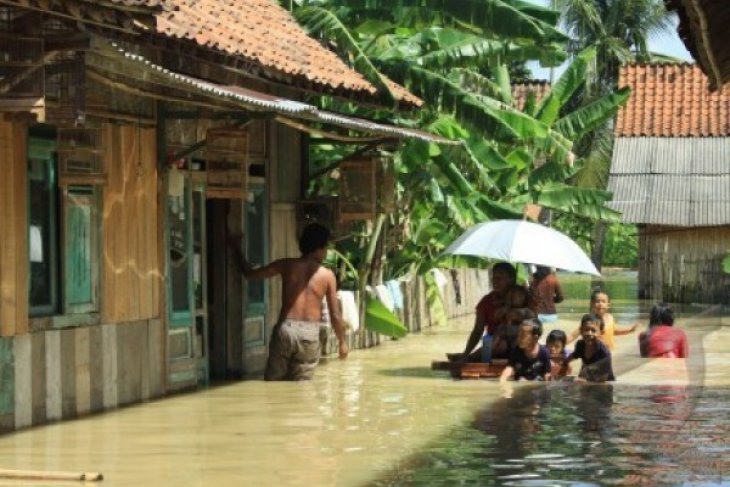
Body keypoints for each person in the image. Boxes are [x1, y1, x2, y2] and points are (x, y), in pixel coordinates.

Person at [228, 223, 348, 381]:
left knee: (273, 384)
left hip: (286, 329)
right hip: (309, 334)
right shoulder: (327, 276)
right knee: (303, 390)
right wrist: (342, 342)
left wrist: (236, 247)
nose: (326, 252)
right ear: (319, 248)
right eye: (325, 248)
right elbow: (335, 314)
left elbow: (250, 274)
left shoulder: (286, 265)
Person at [451, 262, 518, 362]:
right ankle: (469, 356)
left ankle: (470, 358)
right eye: (494, 278)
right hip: (492, 344)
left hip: (517, 344)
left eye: (500, 278)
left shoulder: (522, 298)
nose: (495, 281)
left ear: (511, 280)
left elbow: (533, 324)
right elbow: (478, 330)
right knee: (488, 340)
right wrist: (467, 351)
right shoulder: (486, 301)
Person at [568, 289, 637, 351]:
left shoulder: (610, 317)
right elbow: (574, 335)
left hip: (609, 351)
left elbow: (614, 331)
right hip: (596, 353)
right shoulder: (589, 321)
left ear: (608, 305)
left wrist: (630, 330)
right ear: (592, 304)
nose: (600, 304)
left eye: (603, 301)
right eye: (597, 301)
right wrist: (562, 343)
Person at [562, 313, 615, 382]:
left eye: (593, 331)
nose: (589, 333)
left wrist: (585, 380)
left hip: (604, 383)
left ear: (601, 333)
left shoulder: (603, 352)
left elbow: (603, 378)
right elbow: (574, 355)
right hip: (588, 377)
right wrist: (564, 363)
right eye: (586, 330)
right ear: (581, 331)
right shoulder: (580, 344)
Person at [500, 317, 552, 382]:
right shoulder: (516, 350)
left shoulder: (544, 353)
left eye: (522, 336)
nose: (518, 338)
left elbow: (547, 375)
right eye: (518, 335)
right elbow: (509, 368)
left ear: (535, 338)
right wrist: (502, 380)